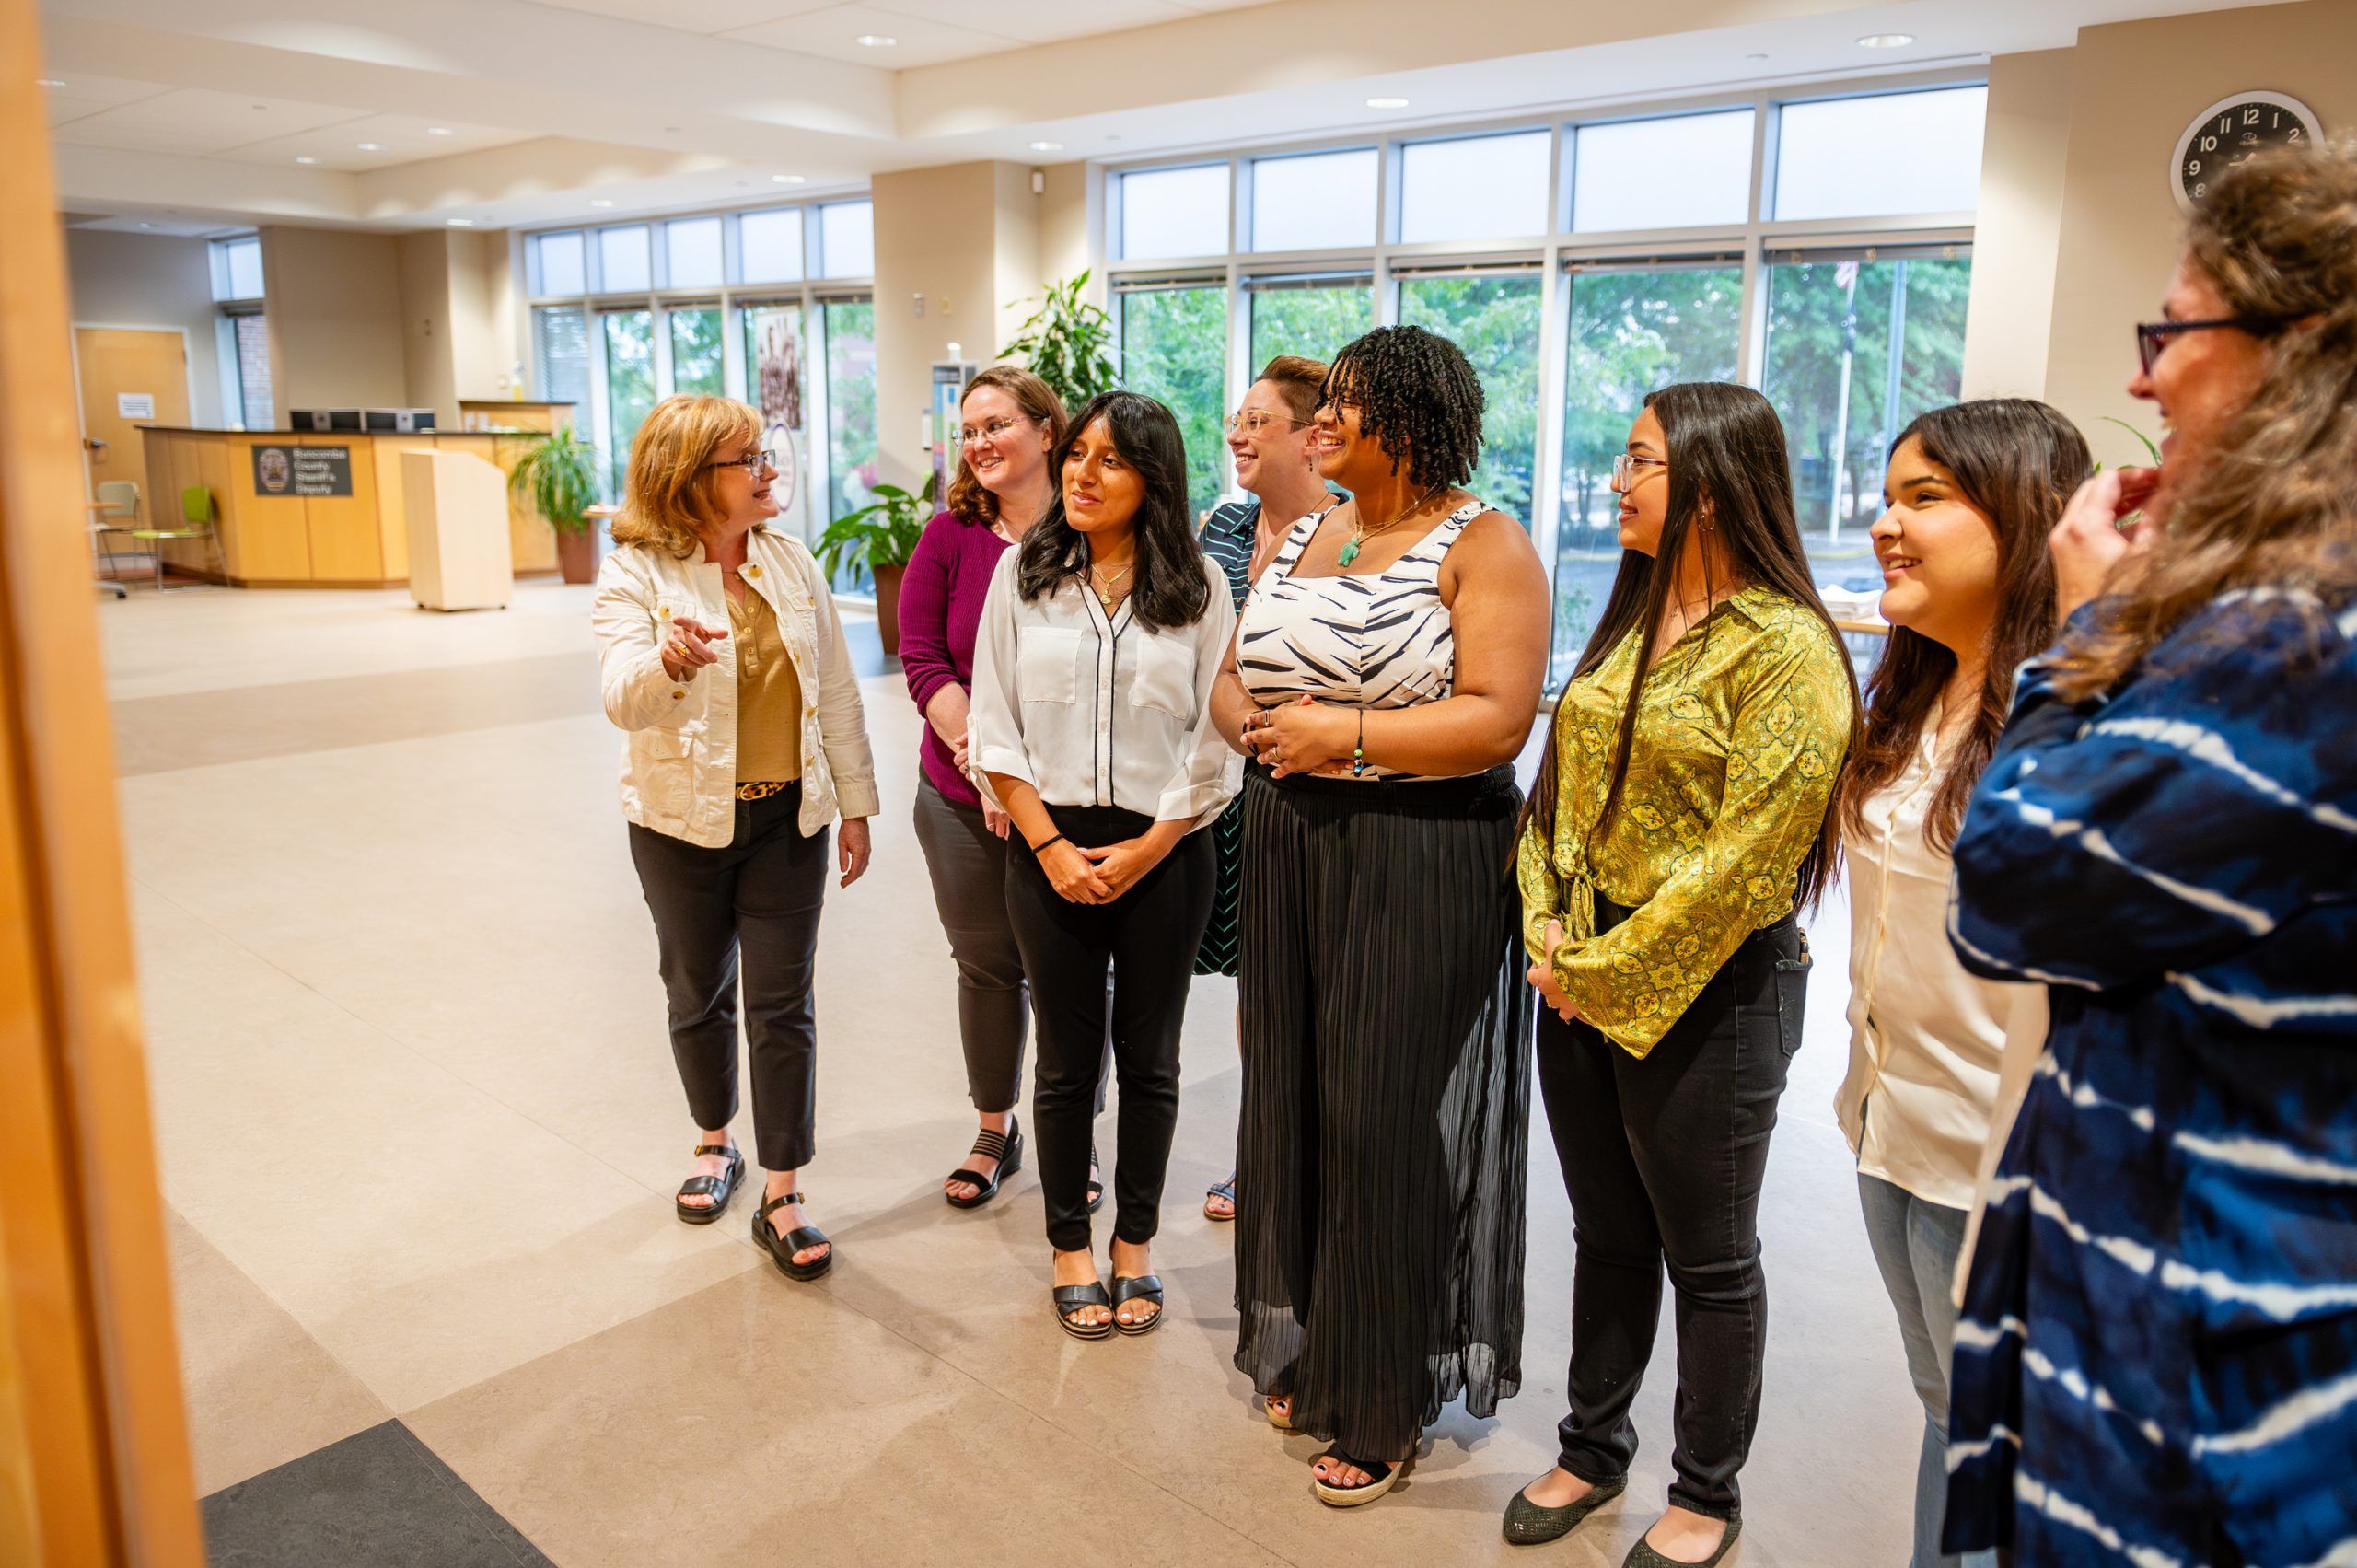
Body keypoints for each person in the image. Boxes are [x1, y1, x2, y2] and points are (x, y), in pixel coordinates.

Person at [1941, 143, 2357, 1568]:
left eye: (2171, 332)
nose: (2142, 379)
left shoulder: (2306, 647)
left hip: (2210, 1371)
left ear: (2302, 356)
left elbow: (2006, 885)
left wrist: (2083, 630)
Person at [1509, 382, 1857, 1565]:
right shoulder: (1635, 607)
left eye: (1640, 457)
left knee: (1710, 1255)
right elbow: (1558, 788)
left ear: (1711, 475)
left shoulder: (1786, 643)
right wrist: (1549, 927)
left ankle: (1705, 1489)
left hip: (1713, 988)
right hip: (1577, 971)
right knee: (1606, 1230)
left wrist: (1601, 965)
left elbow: (1749, 863)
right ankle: (1590, 1444)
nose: (1615, 477)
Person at [1218, 324, 1551, 1507]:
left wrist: (1343, 736)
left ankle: (1386, 1386)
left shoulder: (1484, 542)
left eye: (1341, 406)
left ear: (1403, 421)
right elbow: (1236, 665)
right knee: (1300, 1091)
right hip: (1292, 842)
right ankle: (1319, 1335)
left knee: (1380, 1111)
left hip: (1423, 851)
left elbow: (1500, 717)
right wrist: (1255, 729)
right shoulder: (1309, 530)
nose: (1317, 423)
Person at [1829, 400, 2088, 1568]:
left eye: (1926, 497)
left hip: (1994, 1150)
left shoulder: (2074, 717)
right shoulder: (1915, 693)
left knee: (2001, 1439)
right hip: (1890, 1122)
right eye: (1890, 496)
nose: (1888, 523)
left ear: (2024, 518)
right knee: (1945, 1410)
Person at [970, 390, 1239, 1340]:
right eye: (1076, 453)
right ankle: (1069, 1247)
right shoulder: (1022, 574)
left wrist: (1153, 843)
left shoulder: (1200, 586)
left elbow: (1217, 738)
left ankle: (1134, 1245)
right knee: (1066, 1065)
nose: (1081, 473)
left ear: (1154, 479)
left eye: (1109, 460)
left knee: (1153, 1061)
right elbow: (992, 725)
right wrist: (1047, 844)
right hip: (1047, 845)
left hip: (1166, 847)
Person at [591, 394, 877, 1283]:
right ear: (693, 479)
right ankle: (715, 1143)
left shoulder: (792, 564)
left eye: (765, 452)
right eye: (747, 458)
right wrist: (667, 662)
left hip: (787, 819)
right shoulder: (637, 571)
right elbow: (620, 696)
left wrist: (857, 803)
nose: (768, 468)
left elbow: (835, 692)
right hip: (678, 824)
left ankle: (784, 1189)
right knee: (694, 989)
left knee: (782, 1003)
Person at [901, 366, 1105, 1214]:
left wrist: (1031, 784)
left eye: (997, 424)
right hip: (958, 796)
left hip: (1075, 797)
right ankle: (996, 1128)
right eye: (970, 429)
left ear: (1046, 431)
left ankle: (1076, 1136)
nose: (979, 442)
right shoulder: (950, 535)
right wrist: (988, 765)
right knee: (987, 968)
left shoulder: (1097, 530)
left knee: (1076, 974)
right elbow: (923, 659)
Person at [1194, 354, 1337, 1223]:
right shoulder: (1222, 526)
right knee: (1258, 981)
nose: (1238, 434)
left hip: (1316, 780)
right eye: (1237, 420)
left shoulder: (1351, 534)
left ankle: (1319, 1159)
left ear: (1311, 437)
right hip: (1226, 778)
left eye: (1258, 421)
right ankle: (1266, 1151)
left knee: (1318, 978)